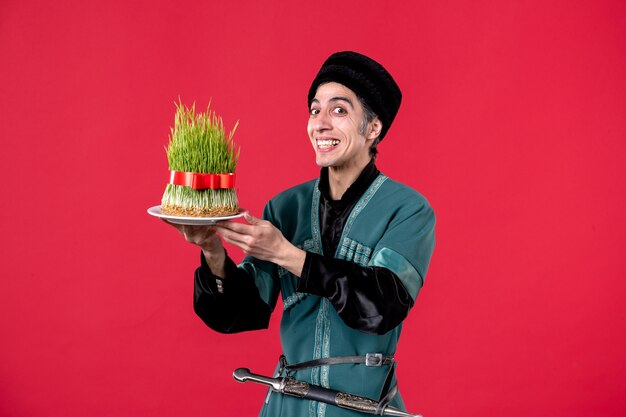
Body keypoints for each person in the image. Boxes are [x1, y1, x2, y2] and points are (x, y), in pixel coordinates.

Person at [168, 51, 436, 417]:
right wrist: (213, 250)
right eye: (314, 110)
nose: (320, 124)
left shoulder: (407, 209)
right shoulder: (285, 208)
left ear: (373, 129)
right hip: (285, 404)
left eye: (339, 110)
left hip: (362, 407)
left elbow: (381, 305)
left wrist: (286, 254)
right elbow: (240, 313)